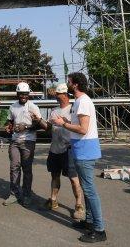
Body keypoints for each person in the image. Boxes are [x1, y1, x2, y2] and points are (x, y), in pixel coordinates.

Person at [51, 73, 107, 243]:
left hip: (85, 150)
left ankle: (99, 230)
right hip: (81, 149)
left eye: (68, 82)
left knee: (89, 191)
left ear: (75, 85)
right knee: (86, 188)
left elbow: (83, 129)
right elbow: (80, 125)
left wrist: (63, 124)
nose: (67, 85)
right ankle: (89, 222)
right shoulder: (80, 101)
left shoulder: (83, 101)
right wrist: (66, 120)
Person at [42, 83, 85, 220]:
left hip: (68, 150)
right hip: (54, 149)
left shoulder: (73, 109)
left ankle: (79, 205)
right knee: (55, 176)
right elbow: (48, 127)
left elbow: (80, 127)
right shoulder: (54, 111)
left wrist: (65, 122)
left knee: (73, 179)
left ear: (65, 95)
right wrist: (38, 119)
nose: (56, 96)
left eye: (58, 94)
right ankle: (53, 200)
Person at [3, 82, 46, 207]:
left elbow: (40, 125)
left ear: (28, 94)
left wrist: (25, 126)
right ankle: (14, 194)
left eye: (26, 94)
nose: (23, 96)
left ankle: (27, 195)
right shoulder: (13, 107)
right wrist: (8, 126)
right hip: (15, 141)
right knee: (14, 167)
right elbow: (10, 120)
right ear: (17, 94)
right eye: (21, 94)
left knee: (27, 169)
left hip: (28, 141)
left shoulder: (33, 107)